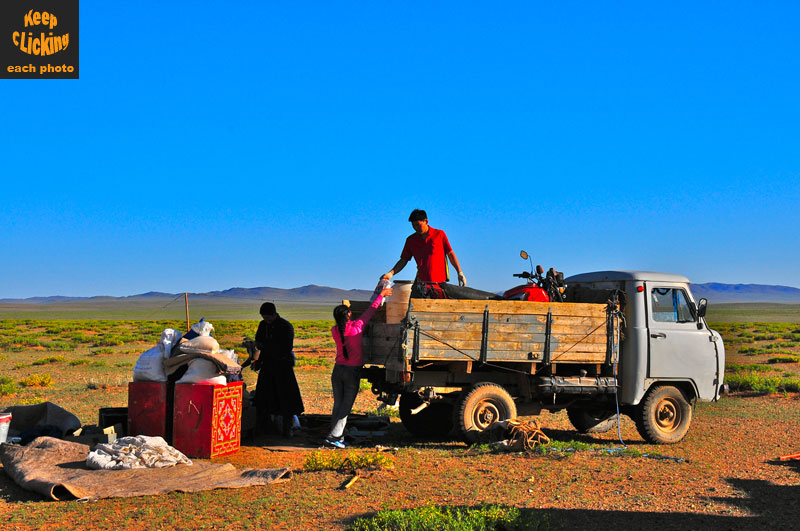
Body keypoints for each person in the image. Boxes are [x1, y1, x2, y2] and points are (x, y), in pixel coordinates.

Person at [325, 285, 393, 448]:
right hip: (351, 371)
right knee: (346, 406)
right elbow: (371, 310)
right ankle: (335, 436)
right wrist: (381, 295)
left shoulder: (335, 330)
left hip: (338, 370)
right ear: (349, 315)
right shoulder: (357, 327)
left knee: (338, 404)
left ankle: (337, 435)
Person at [253, 302, 304, 437]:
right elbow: (259, 340)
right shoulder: (263, 325)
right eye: (264, 318)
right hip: (267, 366)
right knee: (263, 398)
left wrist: (266, 347)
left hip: (282, 366)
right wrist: (259, 354)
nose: (267, 320)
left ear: (274, 314)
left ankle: (287, 429)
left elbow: (286, 347)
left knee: (286, 399)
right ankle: (264, 430)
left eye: (268, 317)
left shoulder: (285, 326)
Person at [383, 209, 466, 287]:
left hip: (440, 284)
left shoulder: (440, 235)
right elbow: (403, 260)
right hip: (421, 284)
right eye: (413, 226)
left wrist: (459, 272)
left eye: (418, 225)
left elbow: (450, 253)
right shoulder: (411, 240)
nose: (416, 228)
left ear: (426, 221)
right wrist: (391, 273)